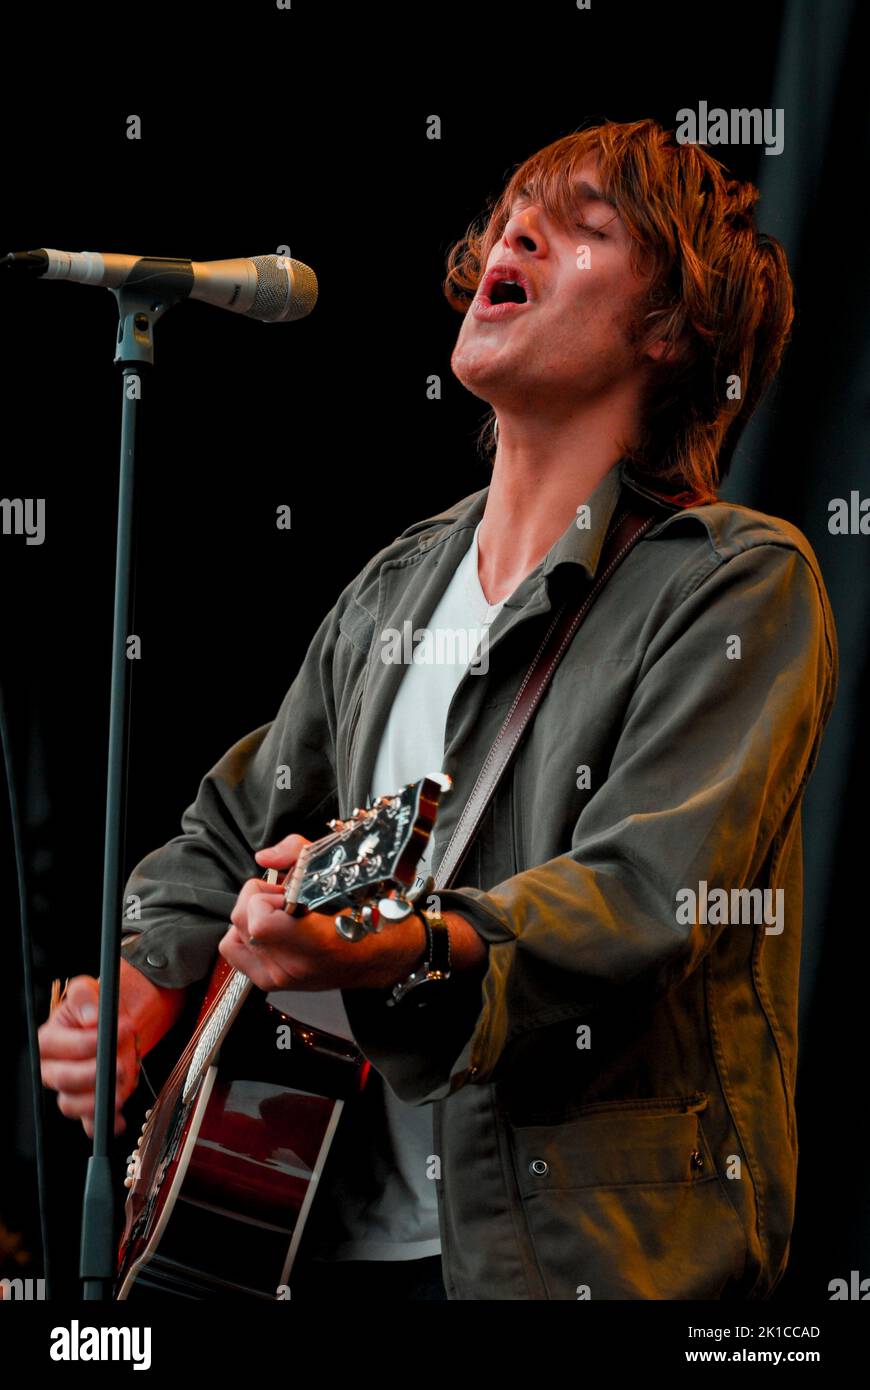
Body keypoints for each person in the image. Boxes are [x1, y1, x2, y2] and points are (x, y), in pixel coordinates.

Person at [39, 118, 838, 1300]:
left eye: (583, 228)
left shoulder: (734, 580)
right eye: (516, 214)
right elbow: (228, 824)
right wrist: (144, 994)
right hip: (319, 1250)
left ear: (671, 330)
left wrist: (400, 946)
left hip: (568, 1264)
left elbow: (643, 894)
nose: (516, 232)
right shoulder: (396, 588)